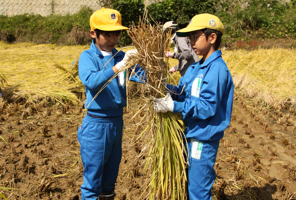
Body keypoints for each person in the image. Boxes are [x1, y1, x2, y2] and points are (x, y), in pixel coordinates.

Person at [153, 13, 234, 200]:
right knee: (188, 187)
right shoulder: (196, 68)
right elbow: (181, 92)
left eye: (195, 37)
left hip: (202, 141)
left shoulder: (217, 69)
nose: (191, 43)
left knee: (198, 193)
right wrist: (156, 84)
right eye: (189, 38)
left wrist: (174, 107)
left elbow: (207, 107)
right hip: (189, 134)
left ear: (212, 38)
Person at [77, 7, 144, 200]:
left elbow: (142, 76)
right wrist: (118, 67)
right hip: (96, 124)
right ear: (93, 34)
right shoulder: (87, 57)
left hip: (116, 122)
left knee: (110, 180)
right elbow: (91, 81)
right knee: (93, 181)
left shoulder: (121, 56)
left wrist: (155, 63)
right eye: (107, 34)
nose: (113, 38)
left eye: (116, 33)